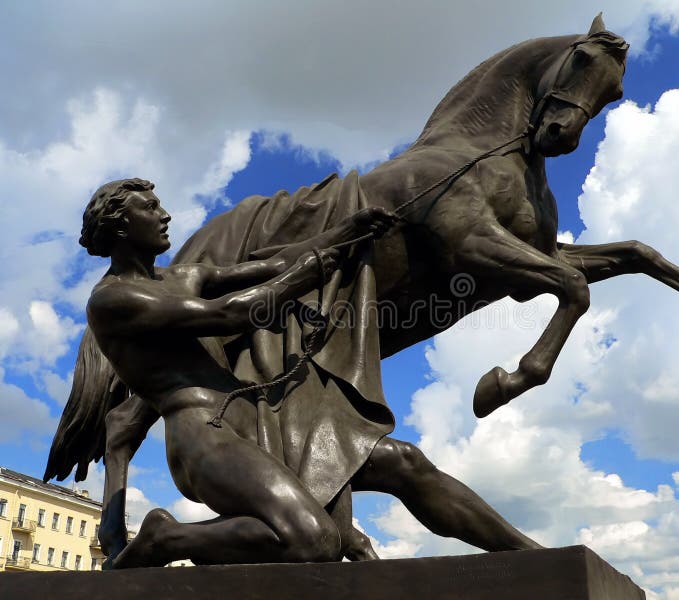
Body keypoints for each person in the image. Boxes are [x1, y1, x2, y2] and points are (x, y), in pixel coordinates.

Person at [82, 178, 540, 568]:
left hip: (257, 415)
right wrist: (311, 271)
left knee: (405, 462)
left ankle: (530, 557)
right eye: (150, 207)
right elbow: (228, 315)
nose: (164, 215)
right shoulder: (113, 301)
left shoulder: (183, 274)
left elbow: (274, 264)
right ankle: (166, 538)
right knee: (313, 539)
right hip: (204, 433)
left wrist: (344, 233)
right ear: (120, 224)